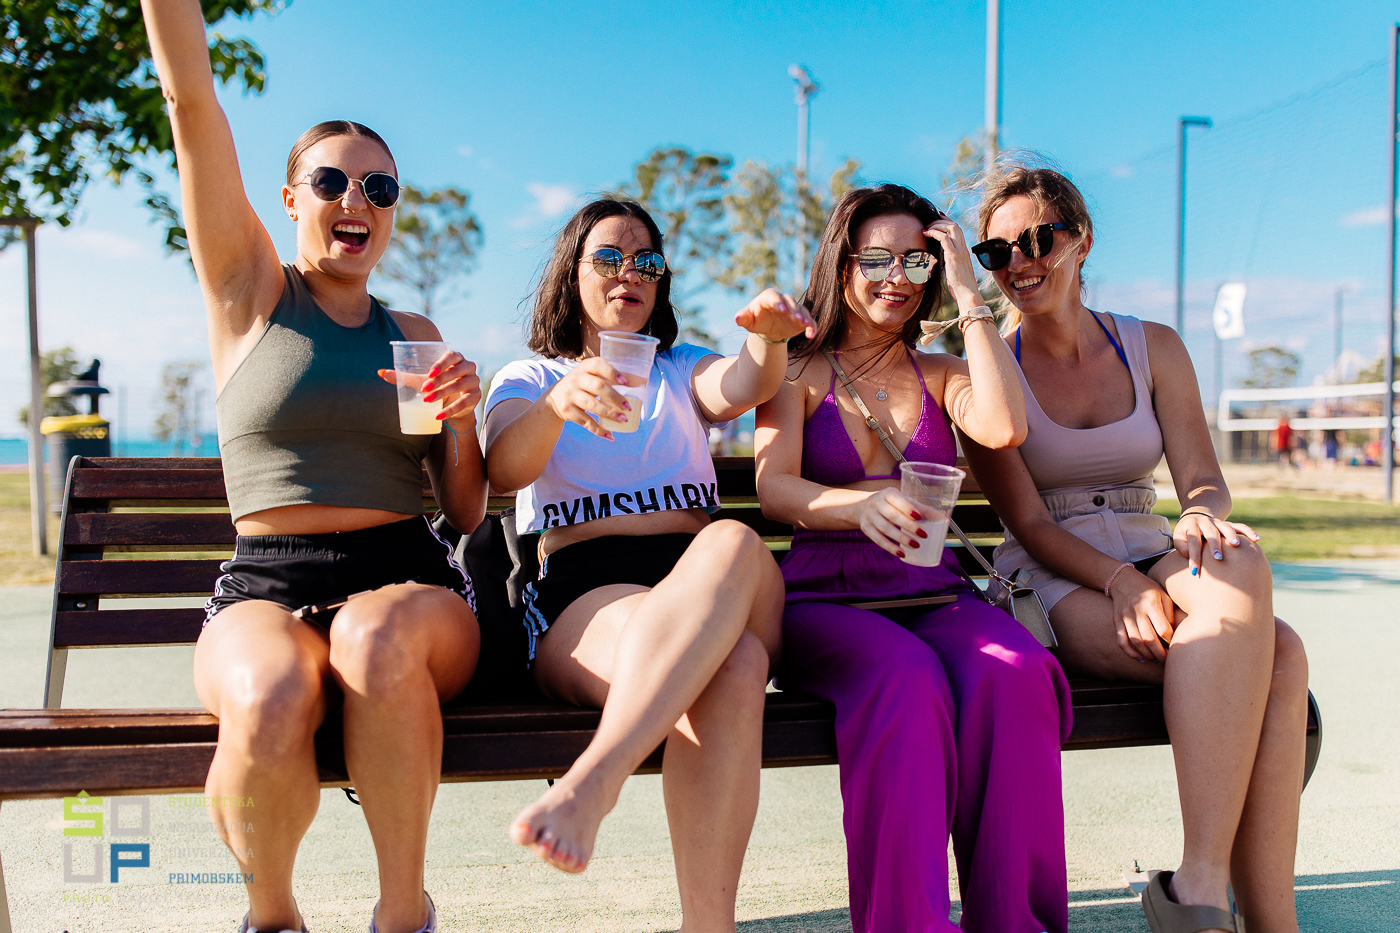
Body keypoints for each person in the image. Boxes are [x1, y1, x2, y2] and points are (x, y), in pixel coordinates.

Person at [141, 4, 486, 932]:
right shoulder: (249, 293)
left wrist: (462, 419)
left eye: (379, 186)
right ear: (291, 200)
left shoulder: (414, 334)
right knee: (269, 691)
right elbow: (190, 102)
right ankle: (273, 918)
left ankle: (403, 914)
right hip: (268, 579)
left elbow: (464, 510)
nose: (355, 199)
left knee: (373, 637)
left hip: (406, 577)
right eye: (330, 180)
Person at [959, 160, 1309, 933]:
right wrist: (1120, 581)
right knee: (1277, 657)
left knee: (1242, 562)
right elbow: (1030, 524)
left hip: (1153, 548)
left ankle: (1205, 883)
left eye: (1037, 239)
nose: (1019, 262)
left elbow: (1203, 481)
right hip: (1053, 573)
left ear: (1081, 240)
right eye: (997, 251)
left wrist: (1199, 516)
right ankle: (1228, 908)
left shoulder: (1153, 347)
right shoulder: (991, 371)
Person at [481, 198, 814, 930]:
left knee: (731, 541)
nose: (629, 272)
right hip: (588, 592)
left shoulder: (679, 367)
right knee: (734, 666)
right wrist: (559, 403)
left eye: (646, 261)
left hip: (715, 579)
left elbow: (745, 384)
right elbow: (502, 470)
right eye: (608, 257)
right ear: (570, 273)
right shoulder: (529, 376)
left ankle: (595, 782)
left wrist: (766, 339)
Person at [754, 184, 1072, 933]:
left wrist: (967, 292)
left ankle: (1017, 924)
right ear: (841, 264)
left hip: (933, 593)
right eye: (876, 259)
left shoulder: (941, 373)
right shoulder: (796, 369)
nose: (896, 277)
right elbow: (773, 488)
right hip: (823, 600)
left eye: (917, 261)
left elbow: (1003, 426)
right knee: (905, 677)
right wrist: (856, 507)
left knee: (1015, 671)